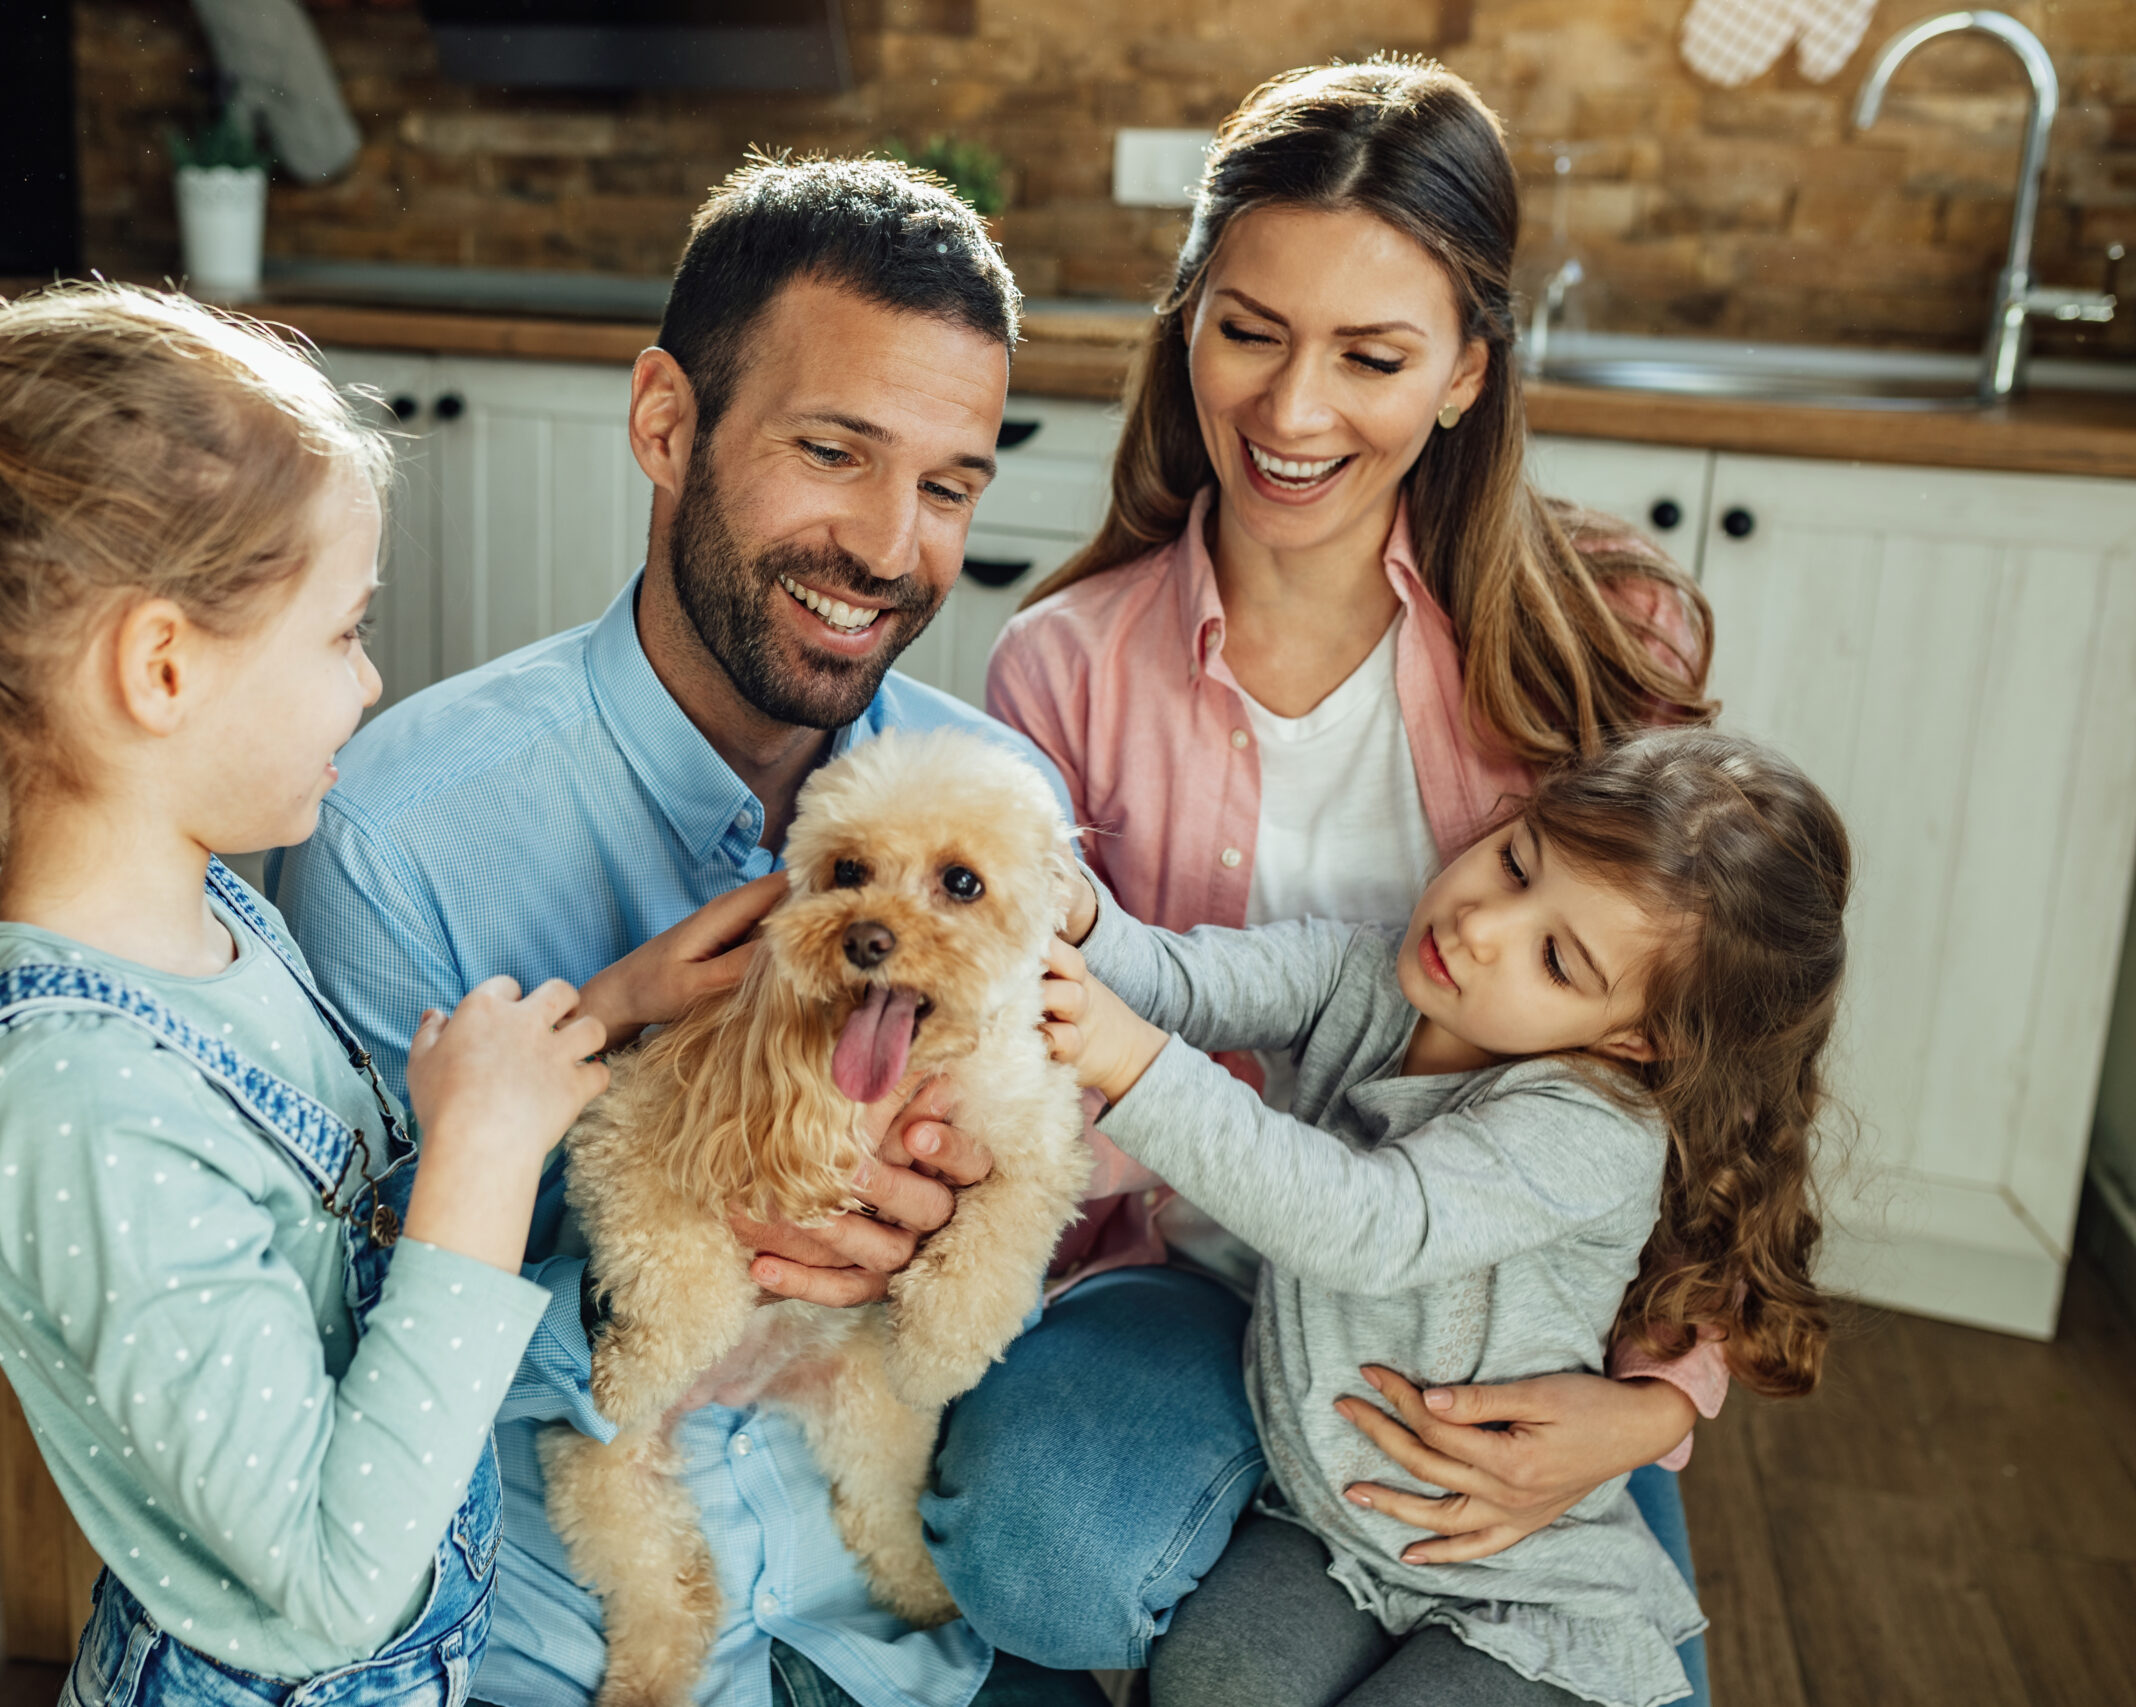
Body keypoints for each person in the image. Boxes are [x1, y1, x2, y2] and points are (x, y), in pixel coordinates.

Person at [0, 284, 630, 1705]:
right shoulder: (68, 1101)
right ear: (162, 665)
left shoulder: (206, 917)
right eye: (341, 631)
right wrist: (476, 1159)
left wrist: (608, 1013)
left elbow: (322, 1261)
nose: (371, 680)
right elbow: (334, 1574)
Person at [276, 157, 1099, 1707]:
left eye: (947, 484)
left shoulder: (1001, 811)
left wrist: (949, 1227)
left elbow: (1040, 1191)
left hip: (905, 1629)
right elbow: (330, 1326)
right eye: (835, 451)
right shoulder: (401, 826)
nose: (886, 544)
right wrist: (633, 1282)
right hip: (569, 1646)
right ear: (666, 422)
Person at [967, 58, 1727, 1700]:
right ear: (1187, 321)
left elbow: (1730, 1053)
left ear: (1466, 372)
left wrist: (1664, 1398)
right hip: (1184, 1281)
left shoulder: (1602, 643)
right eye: (1251, 330)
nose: (1294, 412)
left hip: (1492, 1319)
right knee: (1034, 1533)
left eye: (1374, 355)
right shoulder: (1060, 666)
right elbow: (1035, 1031)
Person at [1038, 728, 1841, 1707]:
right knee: (1209, 1680)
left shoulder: (1591, 1130)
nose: (1478, 927)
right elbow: (1186, 983)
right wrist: (1081, 923)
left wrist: (1131, 1065)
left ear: (1639, 1038)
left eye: (1555, 958)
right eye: (1514, 863)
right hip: (1331, 1523)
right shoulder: (1363, 973)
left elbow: (1365, 1226)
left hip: (1520, 1575)